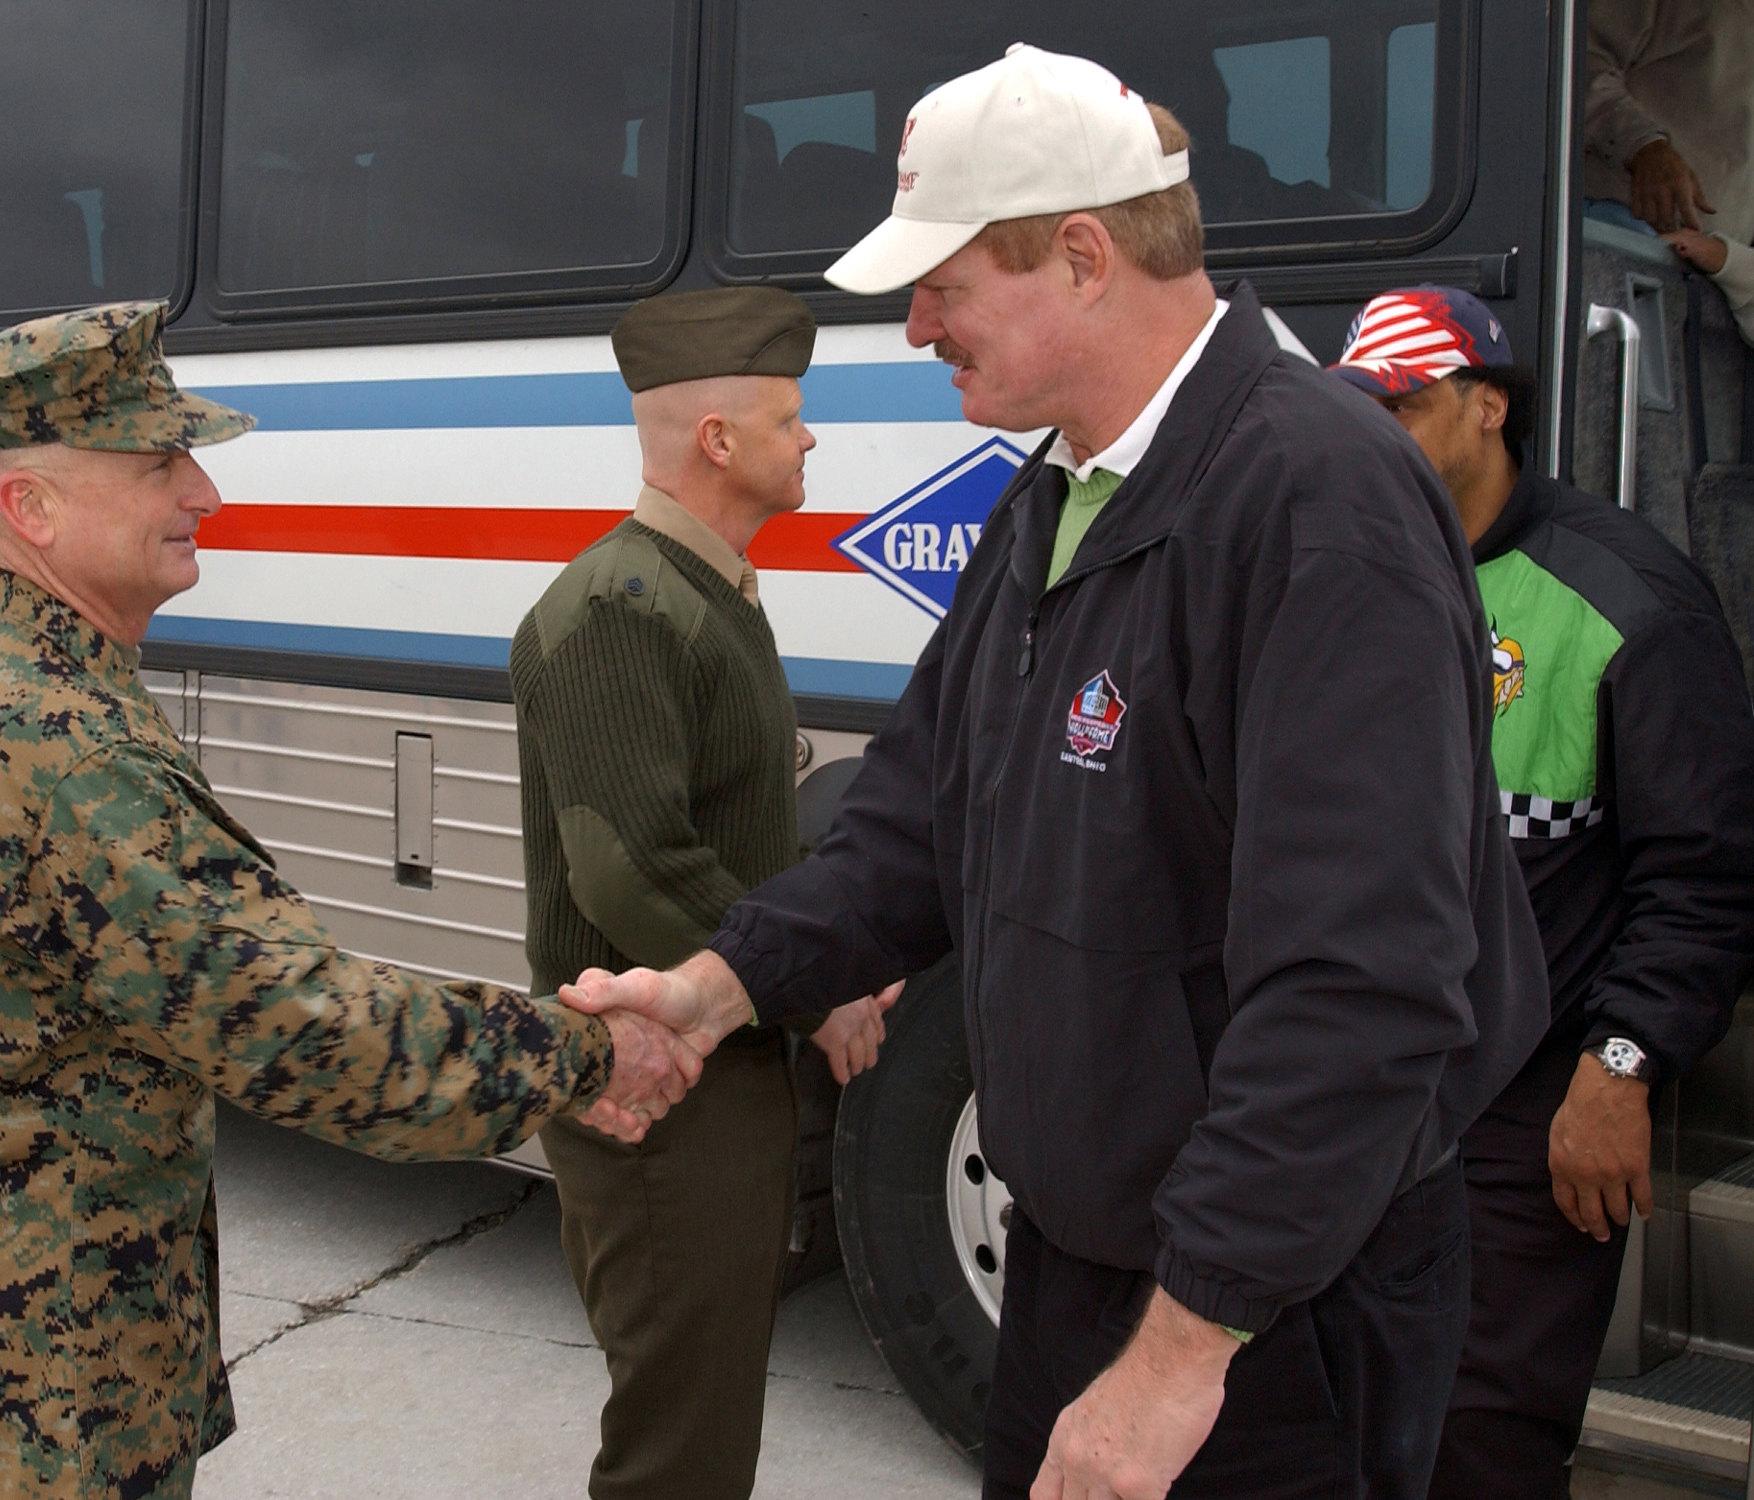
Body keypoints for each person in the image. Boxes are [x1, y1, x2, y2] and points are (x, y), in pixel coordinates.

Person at [563, 46, 1551, 1500]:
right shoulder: (1062, 488)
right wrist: (714, 992)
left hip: (1267, 1316)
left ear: (1083, 256)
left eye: (944, 286)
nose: (914, 330)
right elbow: (916, 819)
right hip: (1081, 1266)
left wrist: (1174, 1363)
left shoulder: (1316, 501)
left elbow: (1364, 984)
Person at [0, 301, 694, 1500]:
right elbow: (310, 1031)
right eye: (160, 460)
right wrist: (587, 1055)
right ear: (32, 510)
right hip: (14, 1396)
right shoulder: (52, 743)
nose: (203, 492)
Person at [1333, 286, 1754, 1499]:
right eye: (1357, 409)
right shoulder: (1344, 564)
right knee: (1338, 1417)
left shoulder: (1628, 599)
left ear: (1488, 407)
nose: (1375, 432)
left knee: (1481, 1438)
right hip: (1356, 1086)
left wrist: (1622, 1066)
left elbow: (1707, 875)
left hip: (1526, 1109)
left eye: (1402, 406)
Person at [511, 285, 897, 1500]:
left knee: (709, 1413)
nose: (812, 439)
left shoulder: (703, 591)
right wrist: (809, 992)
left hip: (709, 1073)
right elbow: (634, 872)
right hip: (655, 1094)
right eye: (790, 418)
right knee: (680, 1444)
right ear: (718, 442)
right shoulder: (621, 609)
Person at [1585, 0, 1754, 340]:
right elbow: (1571, 62)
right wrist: (1644, 145)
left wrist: (1727, 261)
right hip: (1615, 236)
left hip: (1717, 291)